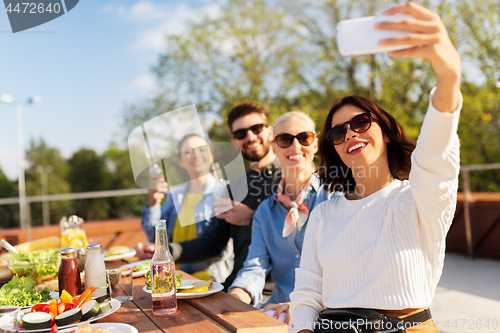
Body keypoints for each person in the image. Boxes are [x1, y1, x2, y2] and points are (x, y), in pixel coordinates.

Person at [289, 2, 462, 333]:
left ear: (385, 130)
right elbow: (308, 295)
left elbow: (434, 157)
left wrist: (448, 76)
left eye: (361, 121)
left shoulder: (418, 201)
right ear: (335, 150)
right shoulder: (323, 215)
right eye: (338, 132)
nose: (350, 132)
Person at [136, 102, 282, 289]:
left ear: (270, 132)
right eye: (240, 134)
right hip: (237, 285)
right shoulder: (233, 187)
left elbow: (301, 236)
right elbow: (212, 243)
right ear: (235, 142)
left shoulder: (291, 179)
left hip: (275, 289)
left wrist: (252, 219)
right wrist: (163, 250)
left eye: (257, 128)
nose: (250, 137)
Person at [228, 112, 338, 324]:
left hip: (329, 314)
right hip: (277, 314)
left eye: (304, 137)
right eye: (285, 140)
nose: (295, 146)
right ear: (275, 147)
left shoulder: (336, 197)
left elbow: (347, 268)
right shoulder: (264, 212)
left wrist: (302, 305)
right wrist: (236, 298)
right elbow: (255, 266)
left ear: (315, 144)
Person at [136, 133, 233, 282]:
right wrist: (153, 204)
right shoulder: (174, 195)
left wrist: (172, 261)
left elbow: (214, 246)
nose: (196, 155)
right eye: (188, 152)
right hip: (173, 276)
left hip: (209, 278)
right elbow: (154, 238)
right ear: (180, 161)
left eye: (202, 150)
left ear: (211, 156)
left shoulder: (224, 193)